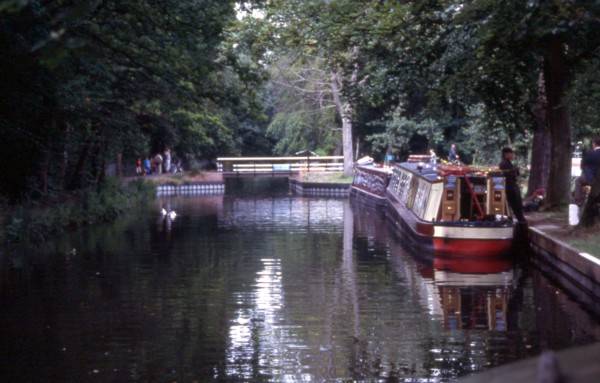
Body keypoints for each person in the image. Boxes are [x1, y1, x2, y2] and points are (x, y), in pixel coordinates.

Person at [499, 147, 526, 223]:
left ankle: (520, 219)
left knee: (517, 205)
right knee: (516, 205)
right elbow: (509, 174)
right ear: (506, 154)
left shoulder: (508, 163)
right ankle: (520, 220)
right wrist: (514, 170)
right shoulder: (504, 164)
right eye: (511, 154)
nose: (513, 155)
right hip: (510, 187)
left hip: (512, 186)